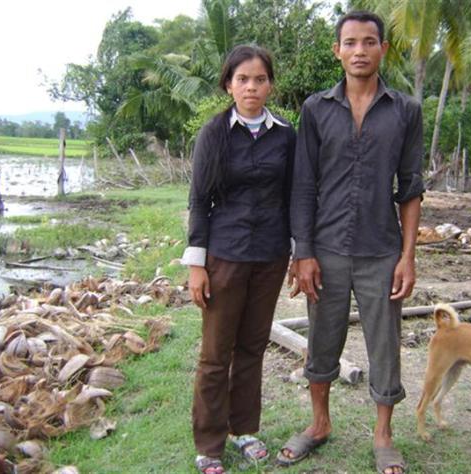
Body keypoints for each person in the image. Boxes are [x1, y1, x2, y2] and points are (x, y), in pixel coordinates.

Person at [278, 10, 424, 474]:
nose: (359, 51)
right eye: (350, 43)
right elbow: (303, 184)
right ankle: (319, 424)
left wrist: (407, 257)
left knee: (385, 344)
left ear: (383, 49)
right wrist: (303, 252)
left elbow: (411, 188)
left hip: (382, 250)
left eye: (369, 42)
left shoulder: (405, 110)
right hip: (326, 248)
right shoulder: (316, 109)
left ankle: (383, 436)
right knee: (322, 339)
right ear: (337, 50)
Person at [181, 44, 296, 474]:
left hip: (270, 256)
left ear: (270, 85)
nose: (251, 87)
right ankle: (209, 444)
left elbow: (294, 197)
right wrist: (197, 265)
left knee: (252, 347)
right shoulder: (213, 134)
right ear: (228, 84)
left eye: (260, 79)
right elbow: (199, 201)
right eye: (243, 79)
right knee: (216, 354)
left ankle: (244, 429)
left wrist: (298, 252)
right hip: (224, 256)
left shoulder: (285, 135)